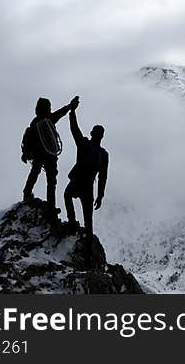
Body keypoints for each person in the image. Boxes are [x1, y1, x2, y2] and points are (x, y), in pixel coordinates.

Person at [63, 103, 109, 258]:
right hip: (89, 187)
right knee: (88, 221)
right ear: (101, 137)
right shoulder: (104, 154)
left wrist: (72, 112)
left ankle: (71, 222)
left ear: (91, 133)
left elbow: (74, 130)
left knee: (67, 196)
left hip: (76, 182)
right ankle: (88, 254)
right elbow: (103, 177)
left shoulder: (83, 144)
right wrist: (100, 195)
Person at [21, 95, 80, 216]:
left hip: (39, 155)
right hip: (49, 156)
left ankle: (27, 193)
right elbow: (60, 113)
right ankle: (51, 206)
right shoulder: (49, 119)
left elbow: (27, 140)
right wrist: (70, 106)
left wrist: (25, 154)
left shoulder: (35, 122)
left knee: (35, 173)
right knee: (51, 181)